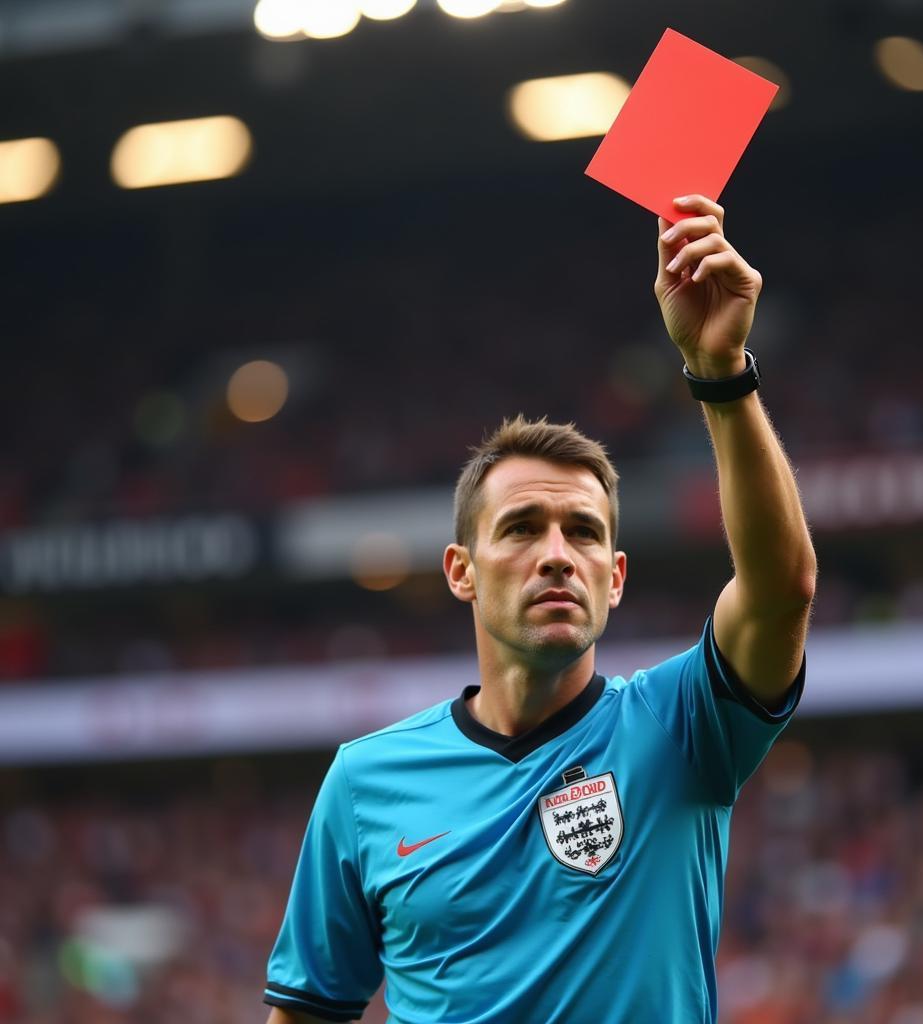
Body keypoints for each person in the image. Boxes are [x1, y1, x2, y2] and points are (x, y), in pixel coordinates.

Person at [263, 195, 817, 1024]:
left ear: (616, 575)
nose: (557, 552)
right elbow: (307, 1011)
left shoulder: (681, 727)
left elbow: (781, 593)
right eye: (521, 528)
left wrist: (721, 374)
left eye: (584, 533)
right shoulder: (364, 782)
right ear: (461, 572)